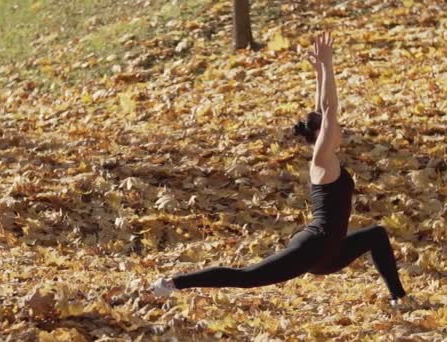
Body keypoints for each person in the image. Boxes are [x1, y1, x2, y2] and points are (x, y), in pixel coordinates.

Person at [151, 31, 416, 309]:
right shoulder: (322, 160)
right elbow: (329, 110)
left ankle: (399, 297)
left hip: (332, 252)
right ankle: (172, 283)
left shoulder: (325, 154)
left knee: (376, 235)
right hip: (313, 247)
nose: (340, 127)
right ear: (321, 133)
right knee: (248, 277)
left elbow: (321, 110)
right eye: (332, 126)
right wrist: (327, 64)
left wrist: (318, 74)